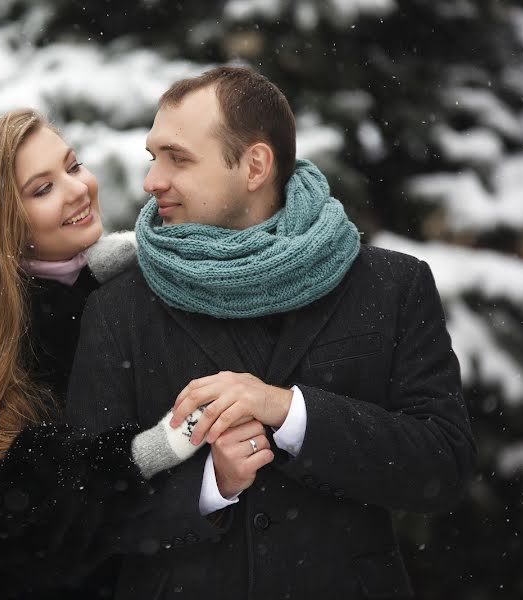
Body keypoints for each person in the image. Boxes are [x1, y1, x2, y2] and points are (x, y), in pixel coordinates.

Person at [66, 66, 477, 599]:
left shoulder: (391, 286)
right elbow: (83, 506)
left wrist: (290, 413)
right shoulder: (119, 307)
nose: (152, 181)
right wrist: (210, 487)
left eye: (178, 158)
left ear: (255, 165)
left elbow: (443, 465)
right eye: (153, 157)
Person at [0, 109, 212, 599]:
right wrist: (140, 456)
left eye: (73, 165)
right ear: (0, 224)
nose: (78, 188)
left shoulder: (119, 291)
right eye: (42, 189)